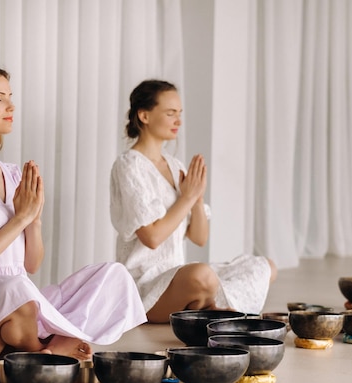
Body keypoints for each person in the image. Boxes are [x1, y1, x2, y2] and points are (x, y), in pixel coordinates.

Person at [0, 64, 146, 360]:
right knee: (16, 290)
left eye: (10, 96)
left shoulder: (13, 174)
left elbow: (31, 263)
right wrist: (19, 218)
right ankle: (45, 352)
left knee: (113, 275)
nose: (11, 105)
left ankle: (39, 343)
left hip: (19, 304)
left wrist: (33, 218)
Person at [110, 79, 277, 323]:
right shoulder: (128, 166)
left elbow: (199, 237)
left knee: (265, 267)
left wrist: (197, 198)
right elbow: (152, 238)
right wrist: (186, 197)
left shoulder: (174, 165)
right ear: (144, 115)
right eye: (170, 113)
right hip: (146, 286)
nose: (178, 121)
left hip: (179, 277)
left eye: (179, 113)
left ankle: (204, 308)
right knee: (202, 275)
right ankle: (210, 309)